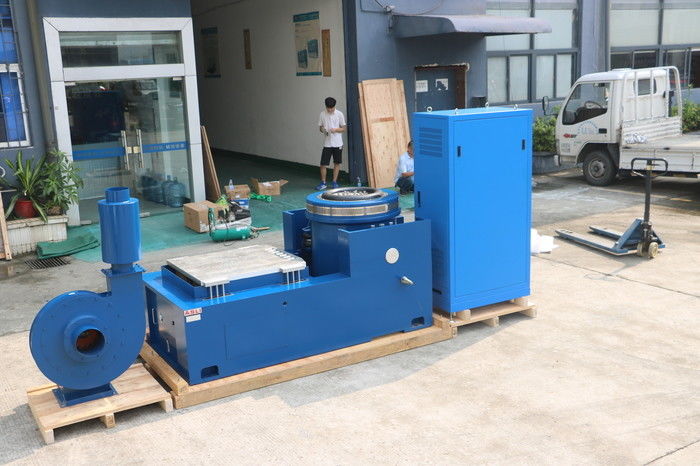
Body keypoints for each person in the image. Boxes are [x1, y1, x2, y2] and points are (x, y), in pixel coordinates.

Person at [317, 97, 346, 190]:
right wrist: (323, 130)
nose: (330, 110)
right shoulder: (322, 114)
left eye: (332, 108)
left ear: (334, 106)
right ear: (326, 106)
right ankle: (323, 183)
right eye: (328, 108)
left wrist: (336, 129)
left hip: (338, 143)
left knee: (336, 163)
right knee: (323, 164)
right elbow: (320, 127)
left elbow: (344, 128)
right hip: (327, 143)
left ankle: (334, 182)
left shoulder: (339, 114)